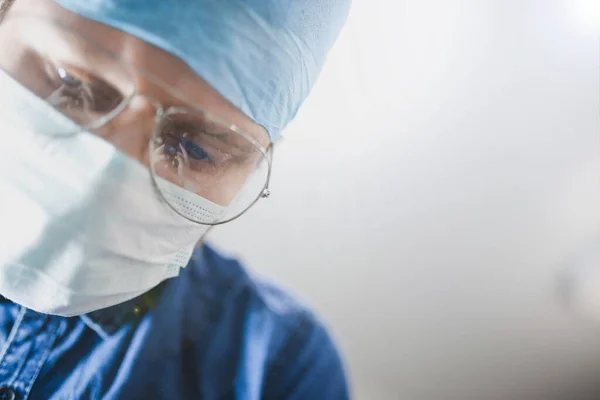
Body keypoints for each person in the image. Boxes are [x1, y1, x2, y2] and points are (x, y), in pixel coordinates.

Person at [0, 0, 351, 398]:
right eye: (71, 83)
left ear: (255, 166)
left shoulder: (277, 368)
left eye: (195, 149)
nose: (102, 189)